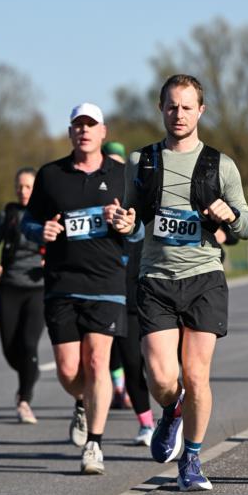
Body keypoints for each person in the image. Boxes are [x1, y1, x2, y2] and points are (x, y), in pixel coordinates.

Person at [109, 73, 248, 492]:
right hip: (155, 278)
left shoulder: (220, 165)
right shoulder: (141, 161)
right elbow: (131, 217)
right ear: (161, 108)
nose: (179, 114)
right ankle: (172, 410)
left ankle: (191, 459)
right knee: (161, 377)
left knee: (196, 374)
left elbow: (247, 225)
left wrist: (231, 216)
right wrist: (124, 222)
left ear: (201, 111)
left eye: (187, 107)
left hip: (204, 277)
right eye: (172, 106)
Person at [21, 103, 127, 474]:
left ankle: (95, 444)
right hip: (62, 283)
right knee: (69, 370)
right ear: (70, 132)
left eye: (91, 125)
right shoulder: (51, 175)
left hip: (106, 281)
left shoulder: (122, 176)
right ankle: (82, 402)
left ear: (103, 132)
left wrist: (126, 224)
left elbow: (139, 228)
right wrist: (41, 231)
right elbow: (28, 222)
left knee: (97, 361)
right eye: (78, 125)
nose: (84, 131)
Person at [101, 140, 155, 446]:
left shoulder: (141, 193)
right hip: (116, 294)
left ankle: (171, 414)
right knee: (130, 363)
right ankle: (146, 423)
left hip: (149, 290)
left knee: (157, 366)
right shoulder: (98, 200)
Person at [0, 167, 45, 423]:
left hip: (38, 288)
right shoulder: (7, 214)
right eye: (19, 187)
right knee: (11, 350)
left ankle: (24, 400)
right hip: (9, 287)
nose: (23, 191)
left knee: (29, 345)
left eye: (28, 186)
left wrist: (50, 261)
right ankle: (30, 371)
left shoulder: (47, 214)